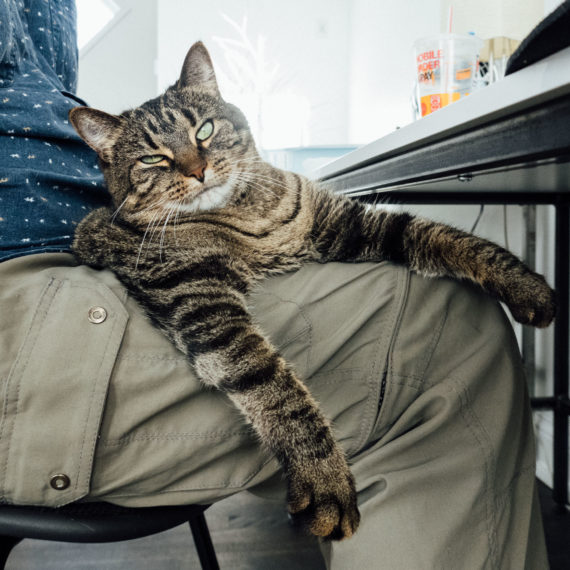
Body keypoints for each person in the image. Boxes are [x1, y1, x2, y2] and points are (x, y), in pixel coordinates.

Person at [0, 2, 549, 568]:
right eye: (159, 163)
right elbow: (210, 324)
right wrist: (304, 441)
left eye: (206, 134)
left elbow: (372, 230)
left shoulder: (269, 186)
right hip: (38, 312)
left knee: (404, 267)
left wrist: (491, 264)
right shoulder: (148, 236)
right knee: (449, 330)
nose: (196, 167)